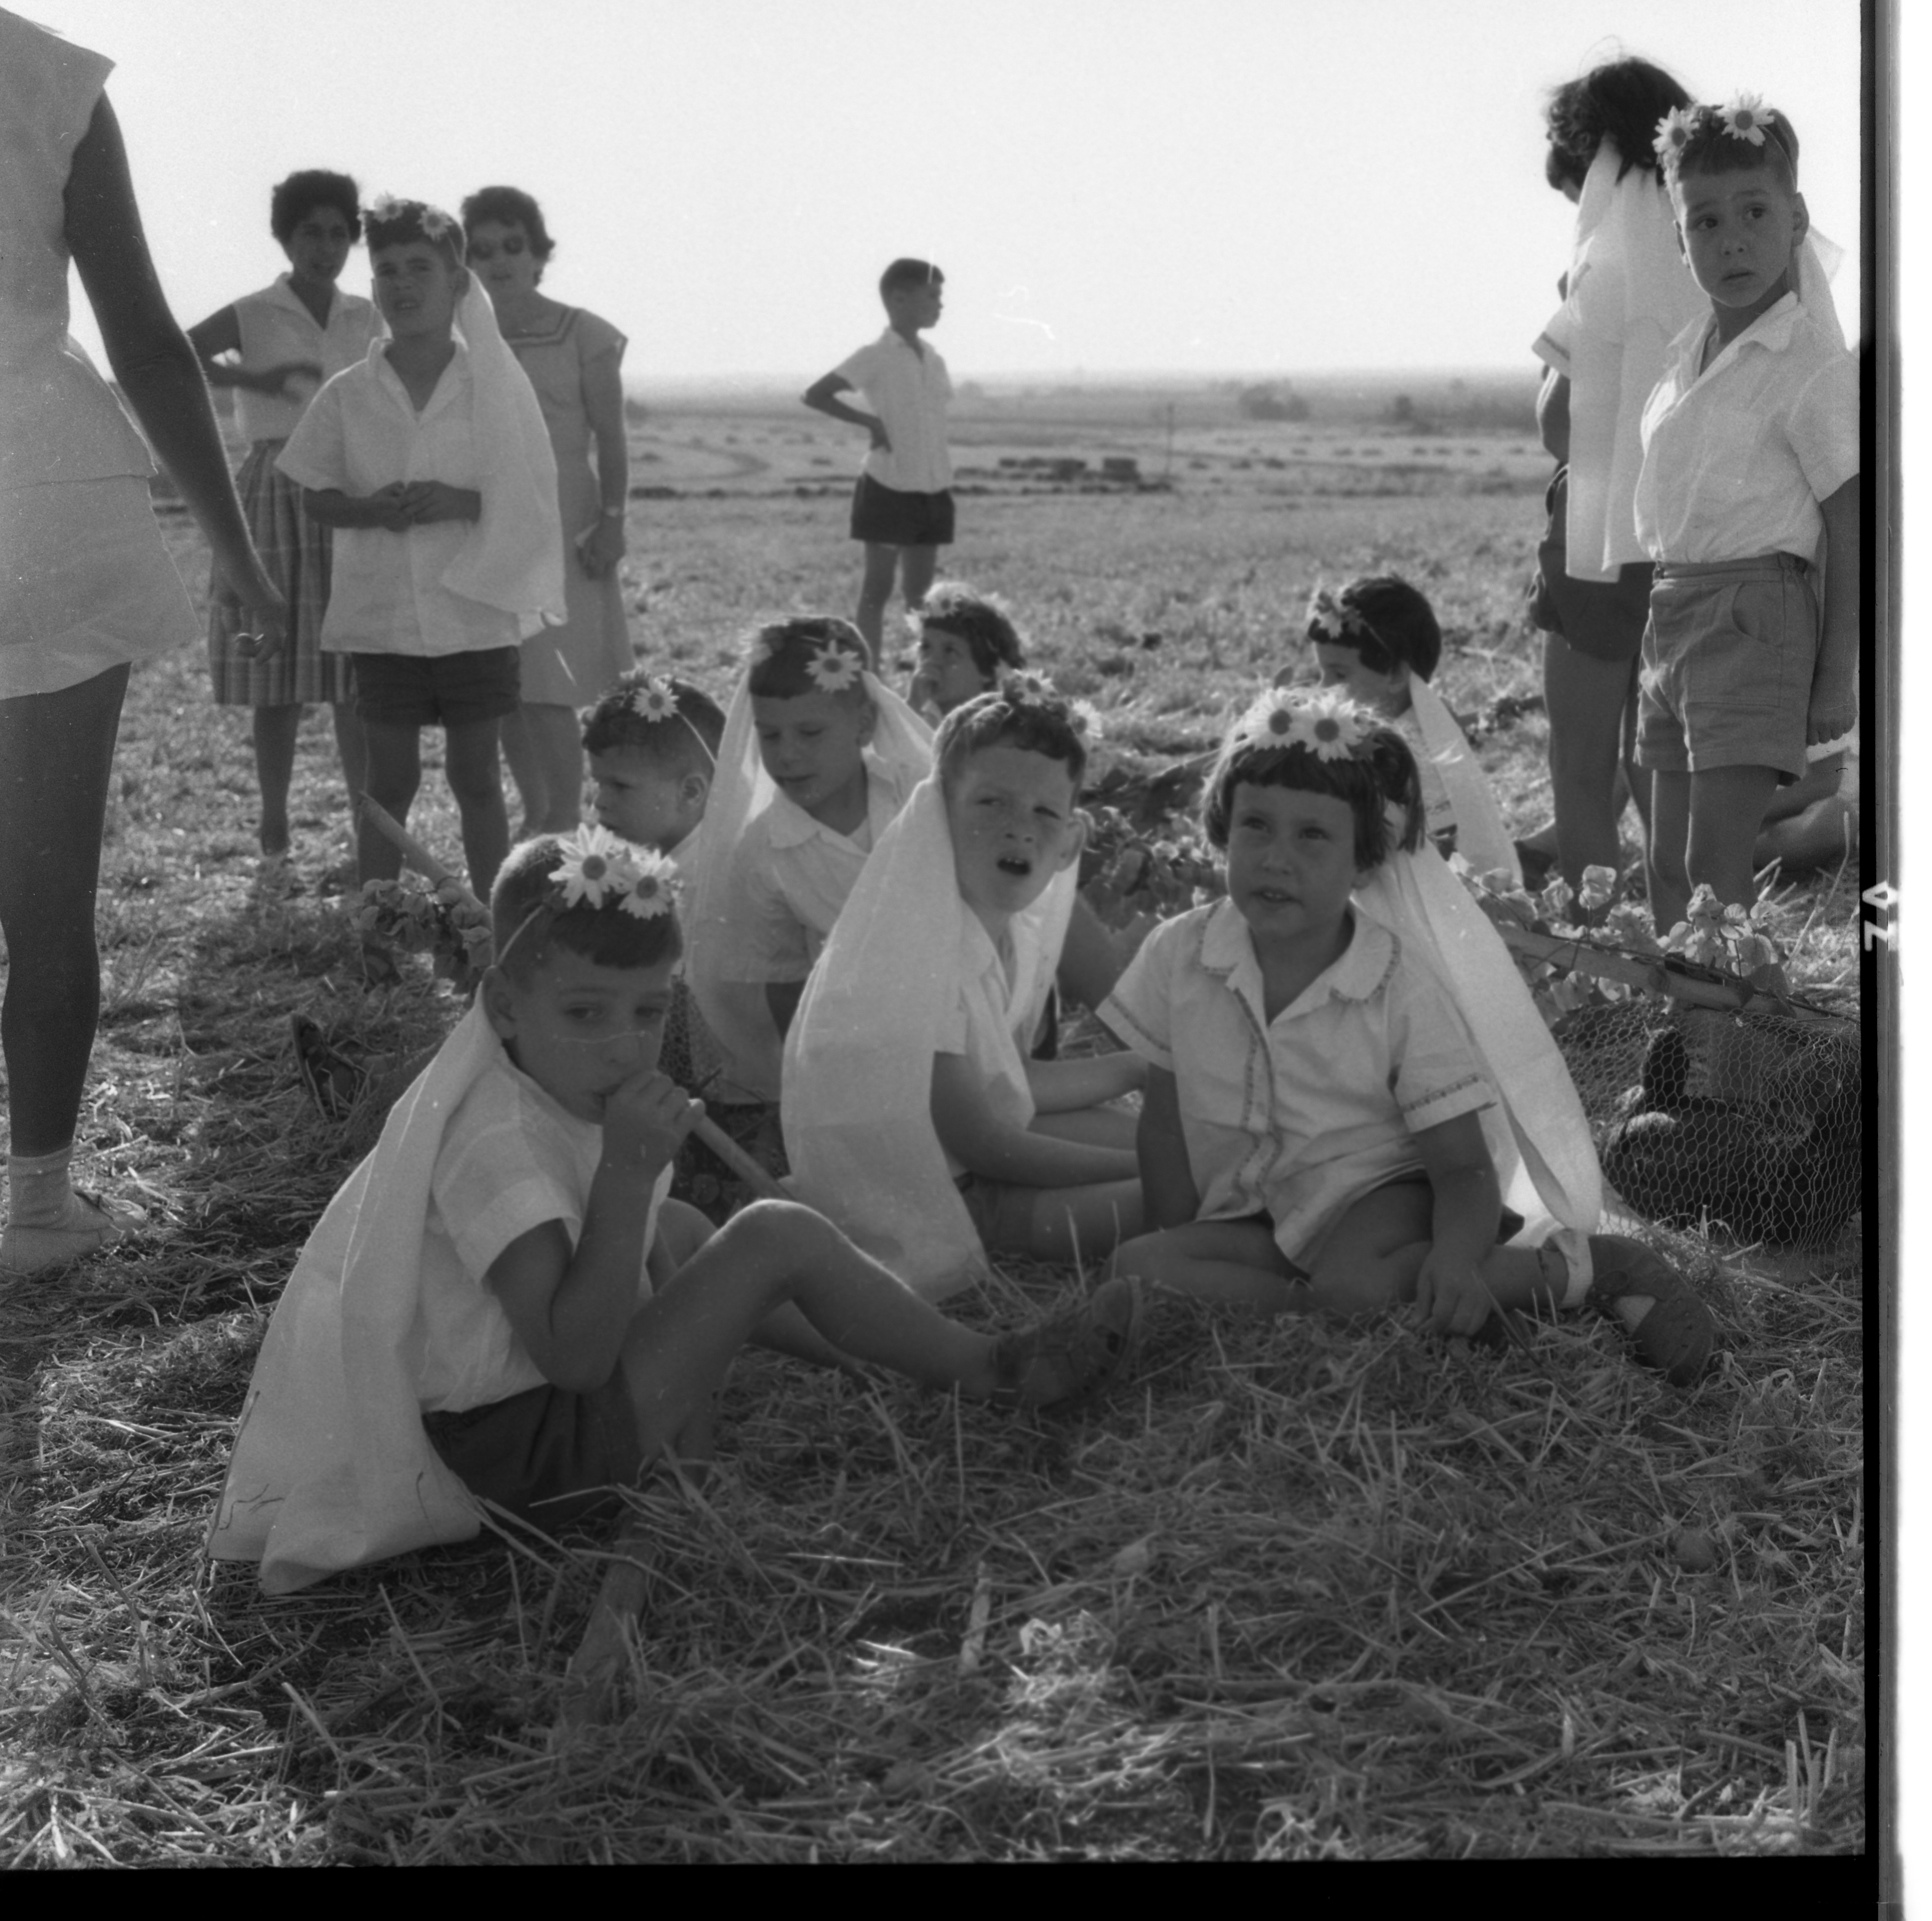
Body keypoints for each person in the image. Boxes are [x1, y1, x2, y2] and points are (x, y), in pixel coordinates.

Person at [208, 829, 1141, 1593]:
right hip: (527, 1461)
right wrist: (623, 1178)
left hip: (544, 1423)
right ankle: (987, 1372)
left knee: (692, 1233)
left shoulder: (547, 1085)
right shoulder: (495, 1148)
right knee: (773, 1234)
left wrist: (636, 1201)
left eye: (647, 1012)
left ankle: (887, 1351)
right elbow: (572, 1356)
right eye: (584, 1013)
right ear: (501, 1005)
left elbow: (636, 1253)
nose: (621, 1045)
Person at [1101, 686, 1715, 1388]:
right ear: (1221, 827)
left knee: (1356, 1284)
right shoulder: (1180, 954)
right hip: (1261, 1208)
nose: (1275, 858)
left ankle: (1571, 1270)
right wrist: (1170, 1237)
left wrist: (1454, 1254)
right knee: (1137, 1266)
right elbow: (1163, 1123)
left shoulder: (1393, 984)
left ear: (1363, 861)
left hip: (1385, 1191)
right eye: (1255, 826)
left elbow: (1459, 1165)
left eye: (1311, 836)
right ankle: (1367, 1311)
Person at [0, 11, 286, 1277]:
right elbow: (149, 342)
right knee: (50, 898)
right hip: (50, 492)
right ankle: (40, 1208)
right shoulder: (50, 78)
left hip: (42, 498)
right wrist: (237, 550)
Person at [784, 679, 1146, 1302]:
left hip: (978, 1166)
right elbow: (983, 1142)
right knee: (1177, 1191)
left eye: (1043, 813)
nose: (1019, 830)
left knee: (1177, 1140)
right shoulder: (914, 948)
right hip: (952, 1201)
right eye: (990, 804)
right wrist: (1149, 1167)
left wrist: (1135, 1069)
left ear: (1070, 844)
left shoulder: (1000, 934)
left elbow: (1006, 1079)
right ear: (934, 818)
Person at [277, 198, 565, 900]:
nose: (402, 285)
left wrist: (464, 502)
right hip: (384, 617)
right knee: (390, 780)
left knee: (475, 777)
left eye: (419, 269)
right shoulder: (349, 394)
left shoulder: (493, 385)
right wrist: (370, 509)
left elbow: (527, 488)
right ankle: (377, 925)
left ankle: (491, 925)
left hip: (473, 609)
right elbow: (314, 492)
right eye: (386, 271)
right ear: (372, 285)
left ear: (457, 281)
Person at [1636, 98, 1858, 934]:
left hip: (1755, 616)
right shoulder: (1683, 353)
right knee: (1661, 858)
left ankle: (1722, 1057)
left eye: (1755, 213)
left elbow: (1849, 525)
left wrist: (1834, 679)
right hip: (1673, 615)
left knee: (1711, 862)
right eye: (1705, 221)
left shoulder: (1807, 363)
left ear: (1796, 219)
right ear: (1679, 237)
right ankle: (1680, 1033)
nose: (1731, 240)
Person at [1527, 56, 1708, 896]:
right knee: (1668, 779)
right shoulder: (1713, 244)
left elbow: (1561, 426)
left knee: (1582, 771)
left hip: (1600, 535)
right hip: (1700, 538)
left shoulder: (1602, 260)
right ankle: (1690, 953)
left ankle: (1605, 962)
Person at [188, 171, 382, 870]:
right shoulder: (255, 310)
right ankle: (274, 827)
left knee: (352, 677)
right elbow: (177, 353)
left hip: (347, 490)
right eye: (311, 233)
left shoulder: (366, 314)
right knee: (279, 677)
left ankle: (368, 832)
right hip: (273, 489)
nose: (324, 248)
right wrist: (254, 381)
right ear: (286, 236)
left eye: (338, 234)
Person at [683, 617, 932, 1100]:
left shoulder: (913, 793)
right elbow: (784, 978)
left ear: (862, 723)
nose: (788, 755)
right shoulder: (763, 851)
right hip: (859, 1028)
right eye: (771, 736)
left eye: (810, 732)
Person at [462, 186, 634, 836]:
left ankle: (565, 815)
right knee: (506, 680)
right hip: (490, 518)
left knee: (551, 680)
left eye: (513, 246)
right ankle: (536, 812)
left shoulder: (584, 333)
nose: (500, 261)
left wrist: (613, 521)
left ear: (539, 254)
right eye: (482, 251)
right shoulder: (464, 338)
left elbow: (611, 437)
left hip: (568, 521)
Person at [582, 669, 766, 1216]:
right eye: (597, 784)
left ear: (692, 791)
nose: (598, 805)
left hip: (730, 1091)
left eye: (620, 787)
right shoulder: (654, 862)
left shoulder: (708, 875)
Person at [1286, 575, 1521, 885]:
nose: (1324, 689)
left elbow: (1443, 850)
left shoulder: (1423, 750)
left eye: (1339, 674)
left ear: (1396, 674)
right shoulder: (1362, 733)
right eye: (1322, 673)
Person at [803, 259, 953, 661]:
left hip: (933, 489)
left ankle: (922, 684)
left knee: (921, 597)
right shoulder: (874, 356)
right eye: (932, 296)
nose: (940, 305)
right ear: (899, 299)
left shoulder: (934, 359)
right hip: (888, 487)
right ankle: (869, 681)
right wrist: (868, 420)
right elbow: (816, 394)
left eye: (941, 297)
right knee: (877, 590)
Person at [906, 581, 1026, 723]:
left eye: (950, 651)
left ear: (987, 672)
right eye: (925, 647)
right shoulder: (921, 714)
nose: (933, 661)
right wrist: (911, 708)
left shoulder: (996, 726)